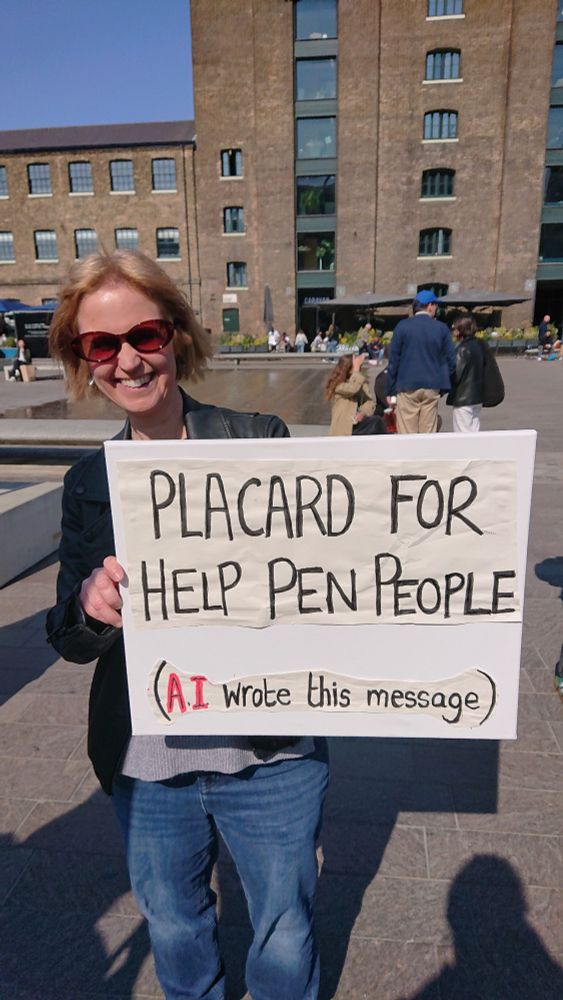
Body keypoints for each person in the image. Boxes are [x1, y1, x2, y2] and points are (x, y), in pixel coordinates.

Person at [45, 250, 329, 1000]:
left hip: (267, 752)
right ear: (84, 360)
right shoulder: (88, 480)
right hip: (148, 761)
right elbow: (66, 634)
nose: (129, 361)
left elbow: (323, 580)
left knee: (284, 928)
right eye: (101, 345)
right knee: (174, 928)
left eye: (145, 334)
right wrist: (92, 609)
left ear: (177, 335)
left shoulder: (256, 439)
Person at [386, 290, 456, 434]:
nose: (436, 309)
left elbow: (393, 360)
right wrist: (442, 385)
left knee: (406, 432)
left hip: (407, 385)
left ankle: (409, 455)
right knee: (428, 432)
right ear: (429, 306)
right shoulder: (441, 328)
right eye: (435, 305)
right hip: (431, 385)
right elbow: (451, 361)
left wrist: (390, 389)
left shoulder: (402, 326)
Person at [326, 353, 385, 436]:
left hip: (357, 424)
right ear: (348, 369)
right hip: (343, 428)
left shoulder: (358, 381)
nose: (359, 369)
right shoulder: (337, 385)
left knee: (379, 422)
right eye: (357, 367)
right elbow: (352, 389)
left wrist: (363, 413)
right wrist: (356, 370)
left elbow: (369, 402)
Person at [446, 313, 486, 432]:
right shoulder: (478, 345)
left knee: (462, 434)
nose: (452, 330)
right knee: (474, 431)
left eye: (453, 327)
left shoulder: (461, 349)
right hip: (477, 396)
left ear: (459, 330)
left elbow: (456, 374)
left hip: (464, 397)